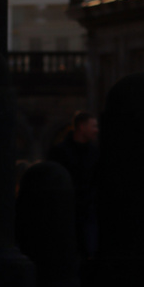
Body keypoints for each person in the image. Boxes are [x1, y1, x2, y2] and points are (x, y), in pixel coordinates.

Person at [49, 110, 99, 259]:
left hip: (88, 211)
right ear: (82, 127)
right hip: (67, 211)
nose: (97, 130)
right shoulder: (60, 152)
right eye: (93, 126)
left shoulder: (95, 153)